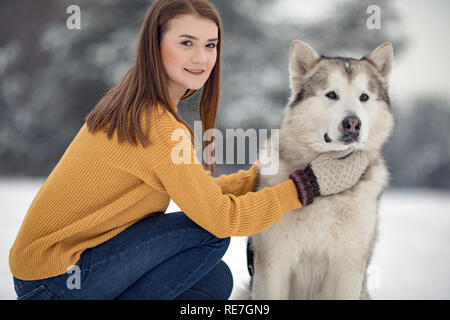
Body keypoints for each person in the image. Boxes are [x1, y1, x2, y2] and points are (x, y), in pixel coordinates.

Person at [9, 0, 368, 300]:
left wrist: (260, 178)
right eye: (186, 43)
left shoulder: (142, 106)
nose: (202, 57)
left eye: (210, 45)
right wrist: (304, 187)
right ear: (155, 44)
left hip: (65, 270)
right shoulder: (155, 124)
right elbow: (219, 218)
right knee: (209, 233)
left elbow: (198, 196)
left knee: (213, 284)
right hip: (54, 280)